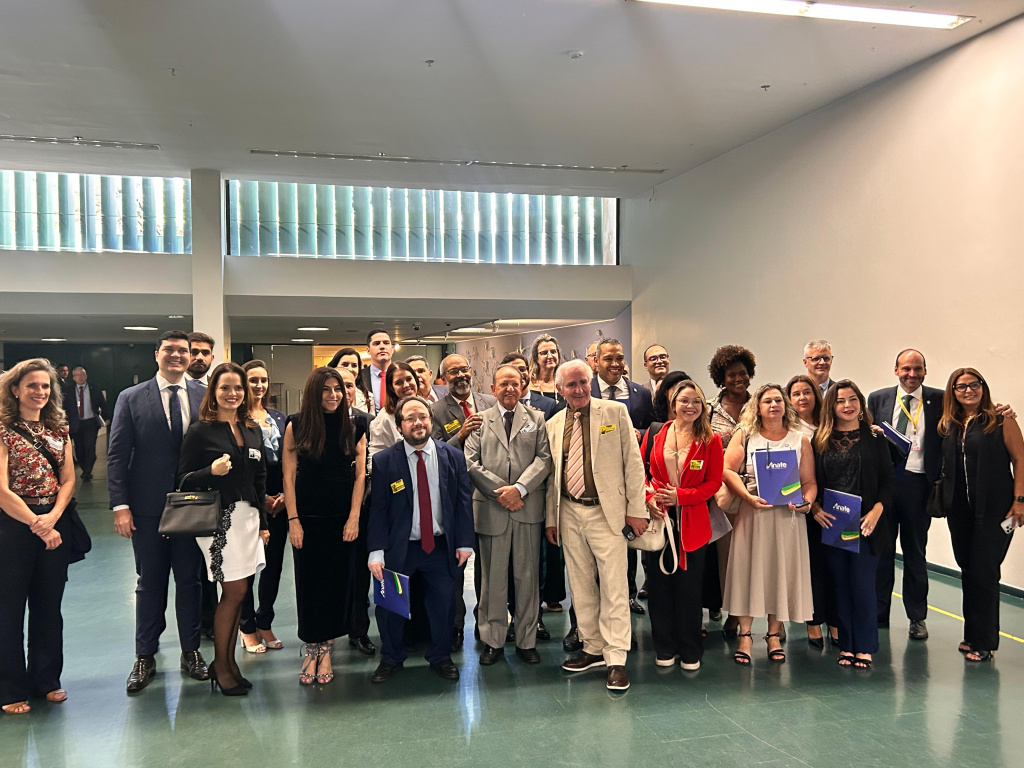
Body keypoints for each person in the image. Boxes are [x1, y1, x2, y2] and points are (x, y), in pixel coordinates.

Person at [107, 331, 209, 694]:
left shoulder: (204, 397)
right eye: (170, 350)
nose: (177, 355)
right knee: (149, 582)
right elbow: (117, 455)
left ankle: (191, 651)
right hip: (147, 507)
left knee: (190, 581)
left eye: (184, 350)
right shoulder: (131, 398)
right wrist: (121, 506)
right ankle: (144, 655)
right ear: (157, 354)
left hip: (193, 506)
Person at [544, 360, 648, 691]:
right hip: (569, 512)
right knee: (580, 584)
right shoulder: (554, 424)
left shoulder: (615, 413)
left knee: (614, 586)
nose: (578, 390)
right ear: (560, 390)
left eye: (583, 382)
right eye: (571, 385)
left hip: (607, 512)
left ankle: (616, 658)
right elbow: (552, 477)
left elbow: (633, 464)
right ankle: (592, 648)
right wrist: (551, 519)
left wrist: (637, 510)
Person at [367, 396, 474, 683]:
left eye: (423, 417)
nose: (418, 423)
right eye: (410, 418)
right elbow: (378, 510)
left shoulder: (452, 457)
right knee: (390, 606)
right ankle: (391, 658)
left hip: (439, 547)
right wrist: (376, 551)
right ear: (399, 426)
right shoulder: (384, 461)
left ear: (431, 420)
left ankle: (440, 657)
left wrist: (465, 542)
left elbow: (463, 502)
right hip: (399, 548)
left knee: (443, 606)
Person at [176, 363, 266, 696]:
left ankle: (227, 664)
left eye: (238, 388)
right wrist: (210, 472)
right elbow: (182, 480)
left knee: (240, 591)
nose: (232, 394)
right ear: (213, 391)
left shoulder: (252, 429)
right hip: (220, 522)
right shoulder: (201, 431)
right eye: (225, 387)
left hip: (249, 520)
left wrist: (264, 524)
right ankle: (222, 665)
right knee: (234, 592)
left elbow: (259, 480)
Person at [283, 368, 368, 684]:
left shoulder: (356, 426)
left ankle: (327, 649)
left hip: (342, 519)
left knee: (336, 584)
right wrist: (293, 520)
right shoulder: (296, 425)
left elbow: (360, 475)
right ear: (314, 392)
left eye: (338, 389)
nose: (334, 395)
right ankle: (311, 648)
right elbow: (288, 476)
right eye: (326, 389)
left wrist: (354, 516)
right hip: (307, 518)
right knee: (309, 584)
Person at [721, 383, 816, 665]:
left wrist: (807, 502)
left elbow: (809, 482)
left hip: (788, 518)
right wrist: (746, 496)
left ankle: (774, 634)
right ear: (758, 407)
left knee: (780, 573)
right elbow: (727, 470)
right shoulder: (745, 435)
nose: (773, 405)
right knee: (747, 572)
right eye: (767, 401)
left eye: (778, 400)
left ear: (786, 406)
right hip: (753, 513)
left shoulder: (800, 440)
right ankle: (745, 636)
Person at [464, 364, 553, 666]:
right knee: (492, 581)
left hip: (527, 509)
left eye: (515, 383)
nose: (510, 389)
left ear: (523, 386)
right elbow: (471, 463)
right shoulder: (480, 421)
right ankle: (493, 640)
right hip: (492, 511)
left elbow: (544, 459)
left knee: (527, 579)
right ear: (493, 389)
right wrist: (503, 493)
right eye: (503, 384)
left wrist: (520, 489)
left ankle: (526, 640)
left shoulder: (537, 419)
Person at [0, 359, 75, 714]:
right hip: (14, 526)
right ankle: (10, 688)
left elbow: (69, 479)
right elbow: (1, 490)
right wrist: (36, 523)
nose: (40, 392)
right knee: (9, 608)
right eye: (32, 385)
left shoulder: (59, 430)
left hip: (54, 523)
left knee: (48, 606)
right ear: (16, 389)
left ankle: (46, 680)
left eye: (45, 386)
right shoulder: (3, 430)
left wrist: (53, 518)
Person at [937, 368, 1024, 662]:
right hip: (960, 511)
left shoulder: (1001, 420)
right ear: (953, 392)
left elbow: (1020, 459)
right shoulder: (950, 424)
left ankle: (985, 643)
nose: (968, 390)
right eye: (961, 386)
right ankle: (972, 634)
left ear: (983, 388)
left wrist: (1020, 501)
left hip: (996, 510)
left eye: (974, 385)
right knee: (968, 568)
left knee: (985, 571)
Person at [640, 380, 723, 670]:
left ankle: (690, 650)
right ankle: (664, 647)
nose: (691, 406)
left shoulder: (712, 440)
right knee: (659, 588)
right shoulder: (655, 434)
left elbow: (713, 482)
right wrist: (649, 498)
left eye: (697, 401)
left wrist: (682, 496)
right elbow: (642, 473)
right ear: (673, 404)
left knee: (689, 590)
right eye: (684, 400)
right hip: (659, 520)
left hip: (692, 523)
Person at [810, 380, 893, 669]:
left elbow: (888, 481)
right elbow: (812, 481)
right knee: (840, 586)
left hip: (866, 524)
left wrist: (877, 511)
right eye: (840, 400)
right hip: (832, 524)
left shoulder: (875, 437)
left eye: (853, 399)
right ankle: (846, 645)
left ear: (860, 403)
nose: (848, 405)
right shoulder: (820, 439)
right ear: (831, 406)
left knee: (862, 585)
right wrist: (815, 508)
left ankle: (865, 647)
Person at [866, 349, 942, 640]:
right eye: (906, 369)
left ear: (925, 371)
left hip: (918, 486)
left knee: (915, 553)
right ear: (896, 370)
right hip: (885, 486)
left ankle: (917, 617)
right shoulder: (878, 398)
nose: (912, 374)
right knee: (882, 551)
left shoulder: (940, 399)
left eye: (918, 369)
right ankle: (878, 613)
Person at [430, 354, 496, 644]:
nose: (460, 375)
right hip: (456, 497)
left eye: (464, 369)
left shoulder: (490, 402)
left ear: (471, 372)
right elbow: (433, 451)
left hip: (489, 494)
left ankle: (486, 622)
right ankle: (456, 625)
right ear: (444, 379)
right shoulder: (435, 410)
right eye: (452, 372)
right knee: (456, 565)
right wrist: (460, 435)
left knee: (488, 565)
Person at [591, 338, 654, 615]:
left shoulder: (640, 393)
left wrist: (640, 433)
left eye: (619, 358)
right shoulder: (586, 389)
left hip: (626, 481)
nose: (615, 364)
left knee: (627, 544)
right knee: (592, 554)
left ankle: (628, 596)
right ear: (596, 362)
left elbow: (653, 427)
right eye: (608, 359)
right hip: (593, 481)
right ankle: (588, 611)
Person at [705, 345, 756, 636]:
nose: (739, 378)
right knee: (727, 557)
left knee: (754, 554)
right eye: (732, 374)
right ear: (721, 378)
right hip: (721, 493)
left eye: (743, 373)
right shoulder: (709, 409)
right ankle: (733, 610)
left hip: (756, 491)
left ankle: (765, 614)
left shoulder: (760, 405)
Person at [238, 361, 288, 653]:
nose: (259, 385)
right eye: (253, 380)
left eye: (263, 380)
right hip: (249, 502)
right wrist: (262, 499)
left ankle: (264, 620)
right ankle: (246, 627)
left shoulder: (278, 417)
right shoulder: (236, 419)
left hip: (280, 504)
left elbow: (290, 459)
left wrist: (284, 496)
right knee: (247, 566)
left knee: (273, 566)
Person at [787, 374, 836, 648]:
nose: (802, 398)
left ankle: (835, 620)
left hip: (834, 504)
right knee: (812, 566)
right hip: (804, 507)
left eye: (807, 392)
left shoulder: (830, 424)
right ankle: (814, 622)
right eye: (796, 394)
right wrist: (812, 505)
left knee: (833, 566)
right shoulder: (788, 429)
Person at [64, 366, 109, 481]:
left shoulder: (94, 388)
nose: (80, 377)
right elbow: (64, 407)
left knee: (90, 447)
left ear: (86, 376)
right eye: (77, 375)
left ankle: (87, 471)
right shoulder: (68, 390)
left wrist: (107, 417)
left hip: (91, 422)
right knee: (79, 449)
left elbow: (103, 403)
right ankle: (84, 468)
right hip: (75, 423)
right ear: (73, 377)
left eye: (82, 374)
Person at [369, 362, 420, 458]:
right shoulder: (384, 418)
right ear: (391, 388)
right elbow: (375, 456)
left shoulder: (429, 406)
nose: (406, 385)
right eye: (399, 383)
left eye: (409, 379)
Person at [503, 352, 558, 420]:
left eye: (522, 369)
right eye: (513, 370)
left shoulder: (549, 405)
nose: (519, 374)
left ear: (528, 372)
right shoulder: (496, 405)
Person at [328, 347, 372, 412]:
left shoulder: (368, 396)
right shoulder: (326, 394)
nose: (350, 369)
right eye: (345, 364)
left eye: (354, 365)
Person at [361, 330, 395, 414]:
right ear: (368, 350)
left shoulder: (402, 375)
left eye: (386, 343)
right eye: (376, 343)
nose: (382, 346)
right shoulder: (359, 376)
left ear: (392, 349)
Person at [528, 334, 564, 404]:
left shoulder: (563, 383)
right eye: (544, 353)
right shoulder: (528, 385)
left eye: (553, 352)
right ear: (536, 358)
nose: (550, 356)